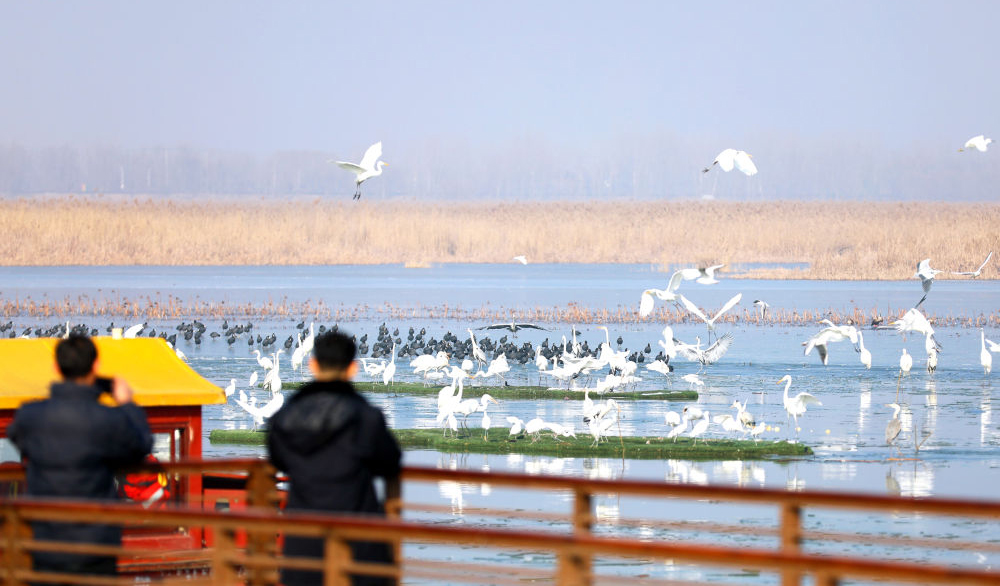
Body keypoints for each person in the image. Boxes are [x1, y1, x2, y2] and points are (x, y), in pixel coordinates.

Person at [8, 334, 153, 582]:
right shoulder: (108, 420)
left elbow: (15, 436)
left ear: (56, 368)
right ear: (96, 366)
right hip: (96, 544)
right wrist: (128, 404)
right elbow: (143, 444)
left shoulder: (29, 417)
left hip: (47, 542)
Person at [268, 331, 402, 586]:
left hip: (303, 548)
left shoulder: (286, 418)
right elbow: (390, 461)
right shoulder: (366, 417)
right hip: (359, 547)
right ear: (353, 368)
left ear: (313, 365)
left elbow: (277, 459)